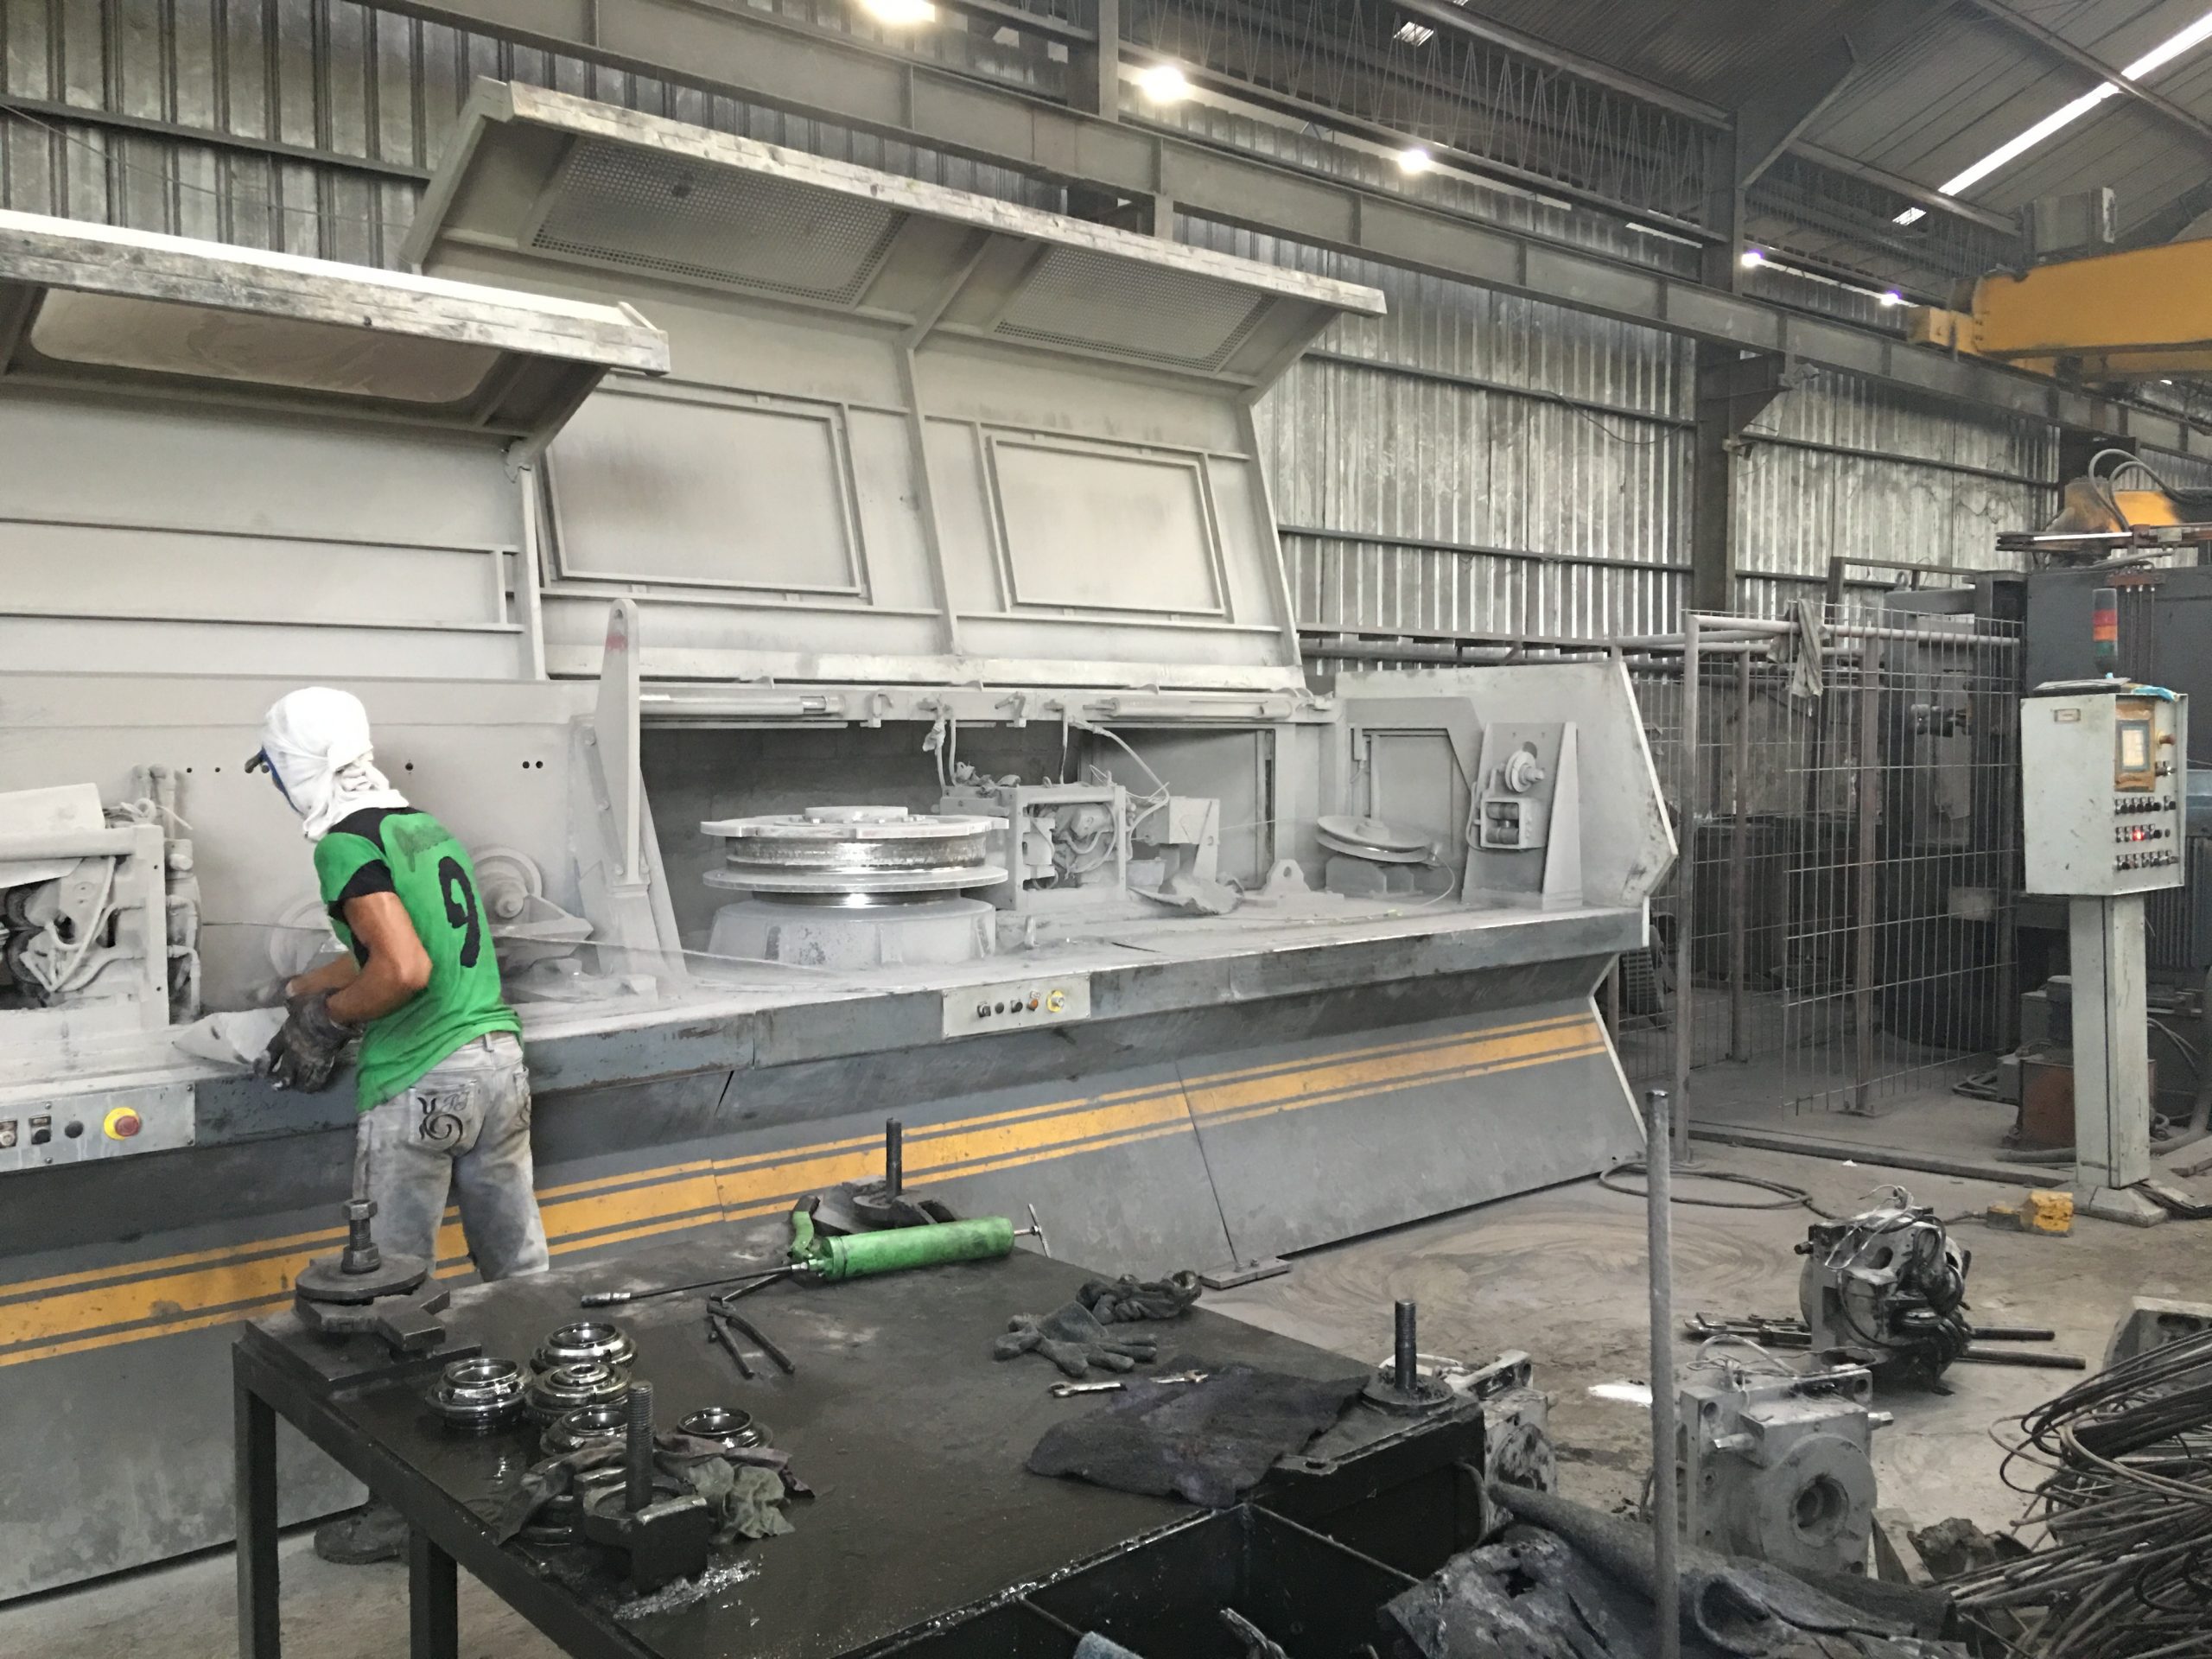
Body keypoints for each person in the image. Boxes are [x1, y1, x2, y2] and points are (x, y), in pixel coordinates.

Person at [250, 686, 549, 1563]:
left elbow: (404, 970)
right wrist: (306, 986)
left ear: (299, 768)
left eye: (277, 772)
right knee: (521, 1282)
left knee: (387, 1304)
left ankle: (404, 1510)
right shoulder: (422, 828)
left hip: (422, 1082)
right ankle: (556, 1461)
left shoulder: (345, 844)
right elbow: (394, 945)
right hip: (498, 1069)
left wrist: (327, 1021)